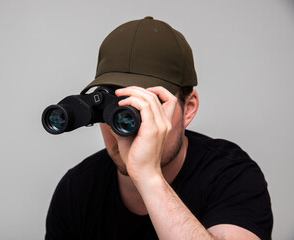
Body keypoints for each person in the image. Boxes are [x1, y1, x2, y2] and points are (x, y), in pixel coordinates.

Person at [45, 17, 273, 240]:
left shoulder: (230, 174)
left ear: (188, 109)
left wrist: (148, 176)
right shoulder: (77, 188)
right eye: (113, 108)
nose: (124, 128)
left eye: (150, 105)